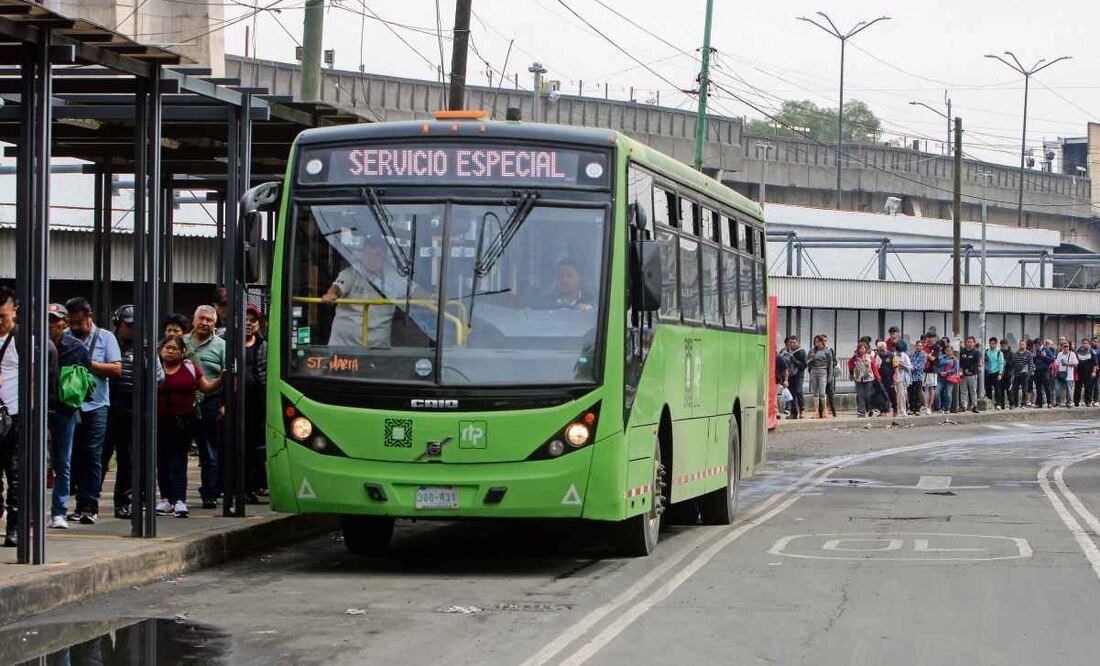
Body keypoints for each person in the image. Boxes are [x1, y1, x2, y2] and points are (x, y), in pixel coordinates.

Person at [102, 305, 164, 521]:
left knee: (128, 461)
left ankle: (123, 502)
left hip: (133, 412)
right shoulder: (108, 346)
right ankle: (87, 502)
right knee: (99, 458)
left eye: (135, 326)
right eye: (128, 325)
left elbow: (159, 377)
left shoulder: (147, 350)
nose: (132, 330)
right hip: (108, 409)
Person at [65, 297, 122, 525]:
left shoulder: (106, 337)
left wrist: (89, 364)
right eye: (72, 323)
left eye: (80, 322)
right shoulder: (66, 336)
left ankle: (90, 503)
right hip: (72, 404)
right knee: (75, 455)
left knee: (93, 454)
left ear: (90, 317)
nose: (76, 327)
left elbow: (117, 369)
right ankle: (79, 504)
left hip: (97, 405)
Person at [157, 335, 220, 518]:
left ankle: (179, 500)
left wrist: (221, 379)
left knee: (178, 460)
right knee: (162, 461)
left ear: (182, 351)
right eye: (166, 347)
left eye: (174, 348)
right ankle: (166, 499)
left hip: (184, 421)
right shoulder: (155, 368)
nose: (170, 351)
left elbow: (206, 387)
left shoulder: (190, 367)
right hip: (160, 420)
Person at [322, 235, 413, 348]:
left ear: (385, 258)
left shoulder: (393, 278)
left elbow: (414, 290)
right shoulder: (352, 273)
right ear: (362, 255)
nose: (372, 259)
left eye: (377, 256)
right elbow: (337, 287)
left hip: (377, 348)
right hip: (343, 347)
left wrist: (434, 298)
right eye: (368, 255)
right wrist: (331, 294)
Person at [47, 303, 91, 529]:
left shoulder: (76, 348)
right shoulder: (34, 344)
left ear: (64, 323)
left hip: (66, 410)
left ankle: (59, 511)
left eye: (56, 320)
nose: (52, 325)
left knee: (63, 462)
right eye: (49, 320)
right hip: (39, 410)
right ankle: (33, 510)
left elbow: (87, 382)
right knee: (37, 461)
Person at [185, 305, 226, 510]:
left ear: (215, 324)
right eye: (201, 318)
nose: (204, 323)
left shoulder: (221, 346)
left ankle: (210, 493)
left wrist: (224, 404)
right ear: (193, 321)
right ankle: (174, 497)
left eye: (209, 320)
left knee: (209, 452)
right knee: (176, 453)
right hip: (182, 403)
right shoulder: (181, 343)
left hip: (210, 403)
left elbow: (228, 378)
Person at [0, 286, 19, 546]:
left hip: (15, 417)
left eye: (2, 316)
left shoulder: (24, 340)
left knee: (16, 475)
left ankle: (14, 528)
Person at [243, 304, 268, 503]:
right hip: (234, 401)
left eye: (253, 320)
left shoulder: (264, 345)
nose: (249, 324)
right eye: (245, 319)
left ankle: (250, 487)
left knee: (253, 446)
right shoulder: (228, 343)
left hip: (256, 402)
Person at [782, 336, 808, 419]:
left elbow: (804, 365)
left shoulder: (801, 352)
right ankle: (794, 413)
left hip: (798, 375)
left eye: (794, 342)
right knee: (791, 394)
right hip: (789, 375)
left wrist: (794, 359)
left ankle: (802, 410)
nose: (792, 344)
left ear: (797, 343)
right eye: (790, 342)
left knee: (798, 391)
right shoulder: (785, 351)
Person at [850, 341, 877, 418]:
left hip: (869, 378)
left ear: (866, 349)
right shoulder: (855, 358)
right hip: (858, 379)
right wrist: (853, 371)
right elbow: (850, 364)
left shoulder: (869, 357)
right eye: (859, 348)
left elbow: (874, 367)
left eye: (863, 348)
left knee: (868, 395)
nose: (861, 350)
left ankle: (870, 409)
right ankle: (861, 411)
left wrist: (877, 377)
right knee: (860, 395)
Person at [807, 335, 831, 419]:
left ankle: (825, 410)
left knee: (822, 392)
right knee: (815, 393)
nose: (817, 343)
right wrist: (811, 359)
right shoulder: (812, 351)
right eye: (815, 342)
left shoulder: (827, 351)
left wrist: (829, 376)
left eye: (818, 341)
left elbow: (830, 364)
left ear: (822, 342)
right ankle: (816, 411)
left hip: (823, 371)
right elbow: (807, 363)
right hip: (814, 371)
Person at [958, 336, 981, 413]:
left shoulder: (976, 352)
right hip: (963, 375)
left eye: (971, 342)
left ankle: (974, 406)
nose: (970, 344)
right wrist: (963, 371)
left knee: (973, 391)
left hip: (972, 374)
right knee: (963, 391)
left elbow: (977, 363)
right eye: (968, 342)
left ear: (974, 343)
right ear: (966, 343)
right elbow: (960, 363)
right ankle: (963, 406)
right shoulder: (962, 351)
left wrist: (970, 370)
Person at [1010, 339, 1034, 410]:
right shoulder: (1015, 354)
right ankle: (1015, 403)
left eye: (1023, 344)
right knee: (1014, 389)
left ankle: (1023, 403)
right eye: (1020, 344)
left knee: (1024, 390)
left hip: (1025, 374)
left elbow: (1030, 364)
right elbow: (1013, 364)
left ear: (1026, 345)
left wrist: (1029, 374)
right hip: (1017, 374)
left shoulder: (1029, 354)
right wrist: (1013, 373)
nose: (1021, 346)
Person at [937, 345, 960, 414]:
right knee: (936, 393)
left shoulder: (955, 360)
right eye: (947, 350)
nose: (948, 352)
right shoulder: (941, 358)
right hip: (940, 378)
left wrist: (946, 373)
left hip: (950, 379)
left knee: (948, 394)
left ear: (952, 351)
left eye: (950, 350)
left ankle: (947, 408)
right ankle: (939, 407)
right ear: (945, 351)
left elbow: (955, 370)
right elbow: (937, 366)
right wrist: (940, 372)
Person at [1033, 339, 1057, 408]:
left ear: (1039, 344)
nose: (1036, 347)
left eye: (1037, 346)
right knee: (1038, 388)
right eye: (1035, 346)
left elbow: (1052, 359)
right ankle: (1039, 403)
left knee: (1047, 387)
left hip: (1045, 371)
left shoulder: (1046, 350)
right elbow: (1033, 359)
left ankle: (1049, 402)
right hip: (1037, 371)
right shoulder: (1035, 351)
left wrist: (1045, 356)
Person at [876, 341, 897, 417]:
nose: (881, 352)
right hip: (881, 378)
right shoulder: (877, 356)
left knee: (892, 395)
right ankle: (883, 411)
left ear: (886, 348)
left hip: (890, 378)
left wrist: (895, 378)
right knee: (881, 395)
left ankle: (895, 409)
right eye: (880, 350)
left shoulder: (892, 356)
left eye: (883, 350)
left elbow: (896, 367)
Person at [1073, 338, 1096, 408]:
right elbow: (1075, 361)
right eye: (1083, 343)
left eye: (1086, 343)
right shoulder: (1078, 351)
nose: (1084, 344)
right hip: (1079, 372)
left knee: (1088, 388)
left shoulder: (1092, 351)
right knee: (1077, 388)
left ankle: (1088, 402)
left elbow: (1095, 363)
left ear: (1088, 344)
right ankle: (1076, 402)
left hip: (1088, 373)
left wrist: (1094, 372)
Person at [1054, 341, 1078, 408]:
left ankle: (1069, 402)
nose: (1065, 347)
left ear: (1069, 347)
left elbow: (1076, 364)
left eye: (1067, 346)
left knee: (1069, 390)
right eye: (1064, 346)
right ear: (1062, 347)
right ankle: (1058, 402)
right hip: (1060, 374)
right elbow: (1057, 364)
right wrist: (1056, 372)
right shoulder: (1059, 354)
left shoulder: (1072, 354)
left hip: (1069, 375)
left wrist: (1067, 364)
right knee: (1057, 389)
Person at [893, 339, 912, 417]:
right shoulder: (894, 355)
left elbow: (909, 367)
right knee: (897, 394)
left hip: (902, 377)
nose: (898, 352)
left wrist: (901, 364)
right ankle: (897, 410)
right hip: (895, 376)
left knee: (902, 394)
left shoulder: (905, 356)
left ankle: (903, 410)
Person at [984, 337, 1005, 410]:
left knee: (997, 389)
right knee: (988, 389)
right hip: (988, 372)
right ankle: (989, 403)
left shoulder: (999, 352)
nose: (991, 345)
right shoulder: (986, 351)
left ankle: (998, 404)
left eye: (993, 344)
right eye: (990, 343)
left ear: (996, 344)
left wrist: (1000, 373)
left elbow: (1001, 363)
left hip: (996, 372)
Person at [908, 337, 927, 415]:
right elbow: (909, 362)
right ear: (915, 346)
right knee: (911, 393)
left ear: (922, 347)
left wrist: (911, 368)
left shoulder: (923, 355)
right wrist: (909, 367)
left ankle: (917, 409)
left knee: (917, 393)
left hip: (918, 376)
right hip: (910, 377)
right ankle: (912, 408)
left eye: (920, 346)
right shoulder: (912, 354)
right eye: (917, 345)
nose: (919, 347)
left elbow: (920, 365)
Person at [822, 334, 839, 417]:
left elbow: (835, 361)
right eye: (822, 340)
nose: (824, 342)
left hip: (829, 375)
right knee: (821, 394)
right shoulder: (816, 350)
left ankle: (834, 411)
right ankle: (822, 411)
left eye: (825, 340)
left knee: (830, 394)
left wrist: (830, 365)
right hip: (820, 375)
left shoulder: (830, 350)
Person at [923, 337, 940, 415]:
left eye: (930, 338)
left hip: (932, 370)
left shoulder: (936, 347)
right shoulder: (925, 346)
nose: (929, 339)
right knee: (921, 387)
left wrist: (925, 354)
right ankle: (924, 405)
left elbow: (932, 358)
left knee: (931, 388)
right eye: (928, 338)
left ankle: (929, 407)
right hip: (923, 370)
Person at [999, 339, 1016, 408]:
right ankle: (1002, 404)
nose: (1003, 347)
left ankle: (1011, 403)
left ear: (1007, 345)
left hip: (1008, 374)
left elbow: (1013, 363)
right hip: (1001, 374)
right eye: (1001, 345)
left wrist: (1007, 362)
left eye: (1004, 345)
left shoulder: (1011, 353)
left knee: (1009, 389)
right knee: (1001, 390)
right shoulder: (999, 352)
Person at [774, 349, 789, 418]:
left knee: (773, 395)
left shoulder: (779, 358)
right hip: (770, 379)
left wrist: (786, 381)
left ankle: (776, 412)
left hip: (776, 380)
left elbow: (786, 371)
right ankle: (775, 411)